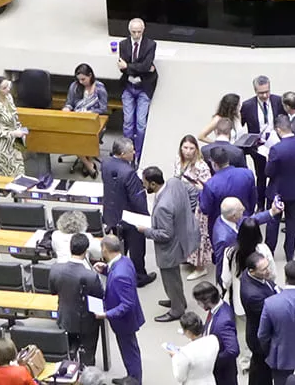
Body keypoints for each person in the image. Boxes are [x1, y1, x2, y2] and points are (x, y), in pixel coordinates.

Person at [148, 165, 197, 320]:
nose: (143, 186)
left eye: (145, 183)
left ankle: (177, 310)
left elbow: (165, 234)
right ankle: (179, 301)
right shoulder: (174, 183)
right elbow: (192, 192)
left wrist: (145, 231)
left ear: (153, 184)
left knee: (171, 280)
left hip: (169, 249)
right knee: (173, 279)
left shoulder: (163, 206)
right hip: (178, 241)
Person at [102, 140, 152, 282]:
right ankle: (140, 277)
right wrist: (146, 217)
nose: (134, 153)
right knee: (137, 248)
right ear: (123, 154)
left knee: (118, 246)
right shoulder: (129, 173)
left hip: (112, 213)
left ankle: (117, 272)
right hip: (130, 216)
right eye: (132, 151)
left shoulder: (105, 163)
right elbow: (137, 198)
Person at [100, 234, 146, 385]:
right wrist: (105, 270)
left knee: (130, 351)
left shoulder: (120, 275)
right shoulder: (124, 260)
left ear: (105, 249)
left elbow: (127, 304)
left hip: (124, 321)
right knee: (129, 349)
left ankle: (134, 380)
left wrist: (106, 314)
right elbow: (116, 274)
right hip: (124, 320)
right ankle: (131, 376)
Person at [265, 115, 295, 259]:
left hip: (277, 191)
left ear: (278, 130)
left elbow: (268, 172)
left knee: (273, 222)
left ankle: (270, 251)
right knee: (292, 222)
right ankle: (290, 252)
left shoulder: (276, 150)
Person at [52, 233, 103, 358]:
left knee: (68, 353)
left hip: (65, 318)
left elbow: (53, 291)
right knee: (88, 355)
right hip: (87, 322)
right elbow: (99, 298)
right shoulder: (91, 276)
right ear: (86, 251)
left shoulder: (55, 269)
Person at [117, 17, 158, 156]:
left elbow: (146, 66)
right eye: (134, 32)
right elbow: (122, 68)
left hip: (143, 87)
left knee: (141, 123)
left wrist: (129, 66)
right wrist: (138, 68)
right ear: (129, 31)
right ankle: (126, 152)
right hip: (128, 86)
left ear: (143, 31)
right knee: (128, 122)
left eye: (139, 32)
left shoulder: (150, 45)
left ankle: (139, 154)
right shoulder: (123, 44)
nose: (136, 35)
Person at [236, 251, 277, 385]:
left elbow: (272, 286)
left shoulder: (252, 277)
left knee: (258, 366)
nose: (268, 270)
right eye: (264, 269)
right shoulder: (253, 295)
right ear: (252, 271)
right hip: (259, 338)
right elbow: (272, 315)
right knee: (262, 370)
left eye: (268, 266)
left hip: (258, 333)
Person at [177, 135, 215, 273]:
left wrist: (201, 189)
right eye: (185, 148)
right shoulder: (178, 162)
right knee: (184, 232)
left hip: (199, 206)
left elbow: (209, 189)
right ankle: (188, 257)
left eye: (191, 148)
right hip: (183, 203)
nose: (187, 151)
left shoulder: (201, 166)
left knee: (198, 235)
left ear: (196, 149)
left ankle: (200, 267)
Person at [241, 77, 286, 180]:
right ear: (255, 91)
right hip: (258, 147)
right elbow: (240, 124)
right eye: (261, 93)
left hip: (276, 145)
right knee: (261, 176)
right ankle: (261, 196)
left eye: (267, 92)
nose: (265, 95)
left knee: (278, 175)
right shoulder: (248, 105)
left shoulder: (278, 101)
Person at [66, 64, 108, 174]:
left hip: (93, 121)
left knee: (86, 137)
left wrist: (90, 112)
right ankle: (88, 164)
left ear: (90, 75)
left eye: (83, 79)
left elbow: (103, 108)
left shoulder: (99, 88)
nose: (81, 82)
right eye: (79, 79)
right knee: (70, 137)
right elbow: (70, 104)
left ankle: (86, 161)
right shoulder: (74, 86)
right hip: (76, 120)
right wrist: (66, 108)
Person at [198, 282, 241, 385]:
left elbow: (233, 350)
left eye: (198, 302)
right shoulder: (219, 307)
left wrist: (213, 360)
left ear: (207, 301)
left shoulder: (223, 321)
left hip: (223, 371)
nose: (197, 304)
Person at [0, 76, 28, 178]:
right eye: (4, 88)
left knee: (20, 175)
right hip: (2, 147)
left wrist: (20, 134)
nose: (8, 89)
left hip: (15, 143)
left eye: (7, 87)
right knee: (3, 179)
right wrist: (12, 133)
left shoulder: (9, 98)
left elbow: (14, 117)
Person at [171, 310, 222, 385]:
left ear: (188, 332)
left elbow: (180, 377)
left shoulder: (185, 353)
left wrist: (175, 357)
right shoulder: (213, 340)